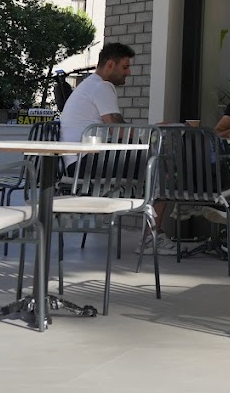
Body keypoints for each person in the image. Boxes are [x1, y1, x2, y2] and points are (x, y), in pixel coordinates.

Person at [58, 42, 176, 255]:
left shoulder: (89, 85)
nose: (129, 72)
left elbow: (120, 129)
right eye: (125, 67)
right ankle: (153, 235)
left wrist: (146, 132)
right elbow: (118, 130)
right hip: (87, 164)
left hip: (77, 164)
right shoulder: (101, 86)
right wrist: (154, 130)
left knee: (155, 165)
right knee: (161, 166)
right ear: (110, 64)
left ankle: (156, 223)